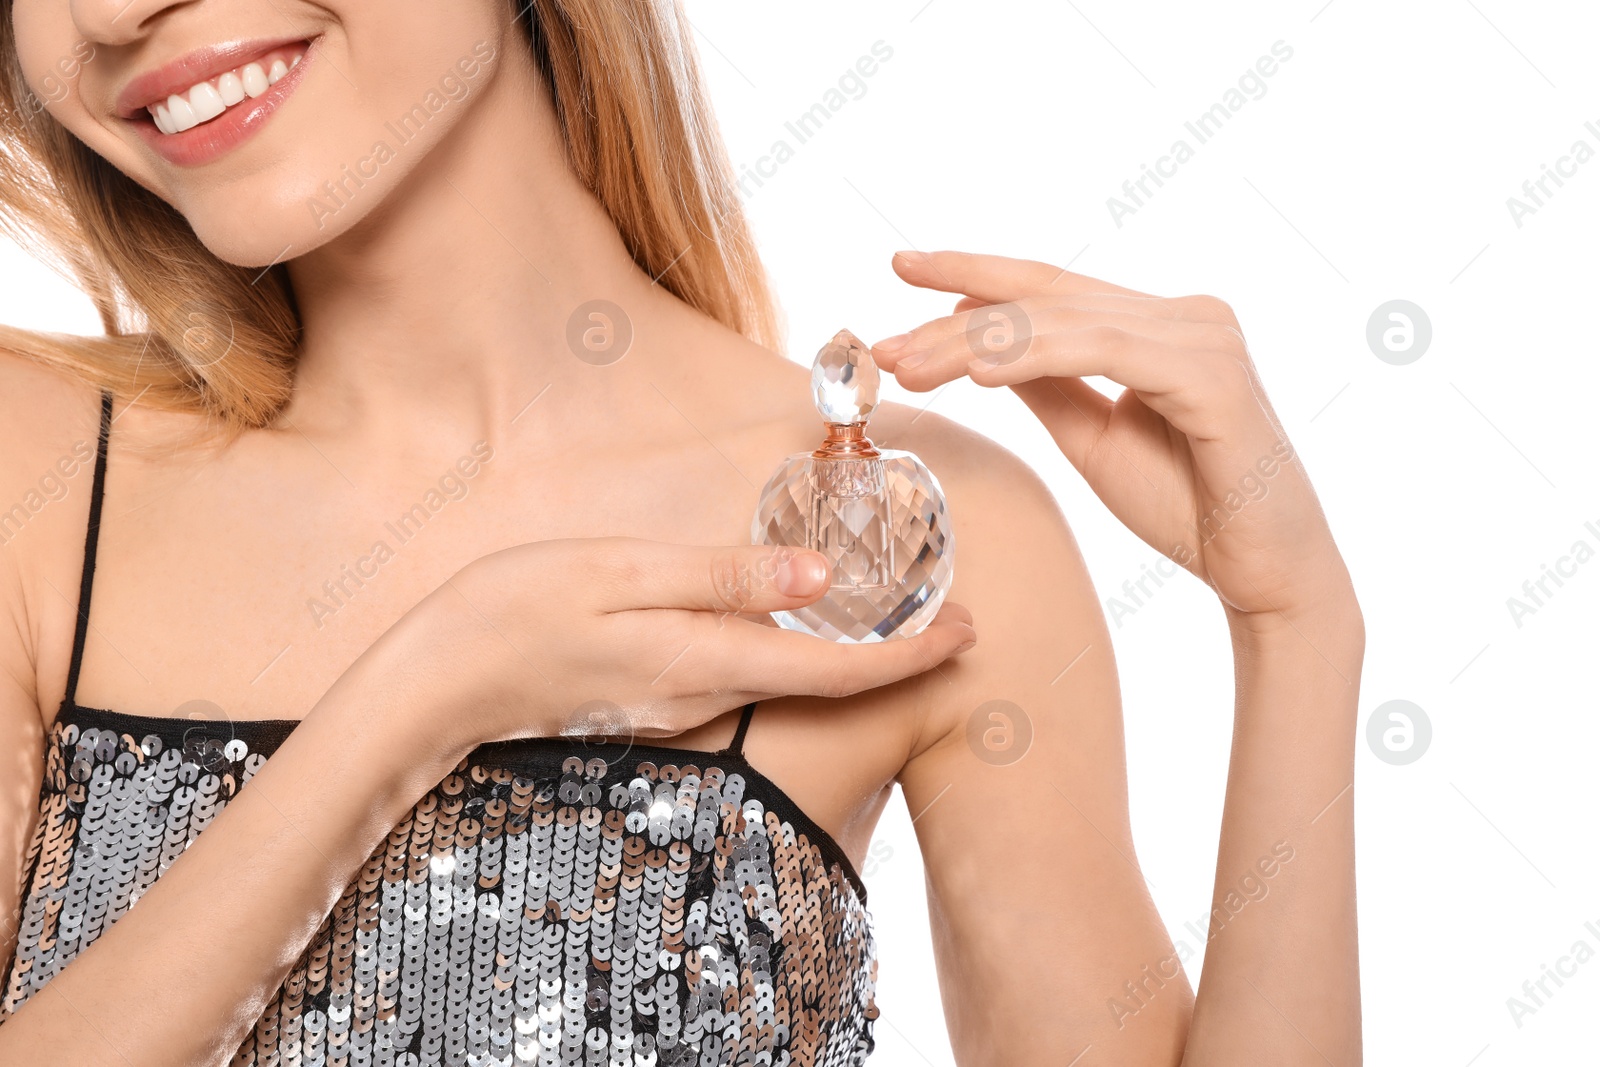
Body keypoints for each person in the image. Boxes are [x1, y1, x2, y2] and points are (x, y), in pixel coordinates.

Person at [0, 0, 1363, 1064]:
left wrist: (1298, 626)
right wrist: (426, 691)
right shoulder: (38, 467)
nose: (119, 11)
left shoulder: (899, 540)